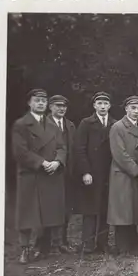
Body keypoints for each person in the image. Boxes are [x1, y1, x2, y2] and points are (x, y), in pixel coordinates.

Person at [12, 89, 67, 263]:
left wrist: (58, 162)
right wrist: (42, 162)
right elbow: (20, 152)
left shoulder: (52, 125)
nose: (41, 103)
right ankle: (25, 249)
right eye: (37, 100)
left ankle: (43, 248)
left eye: (43, 101)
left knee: (48, 212)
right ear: (29, 103)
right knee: (27, 214)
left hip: (50, 173)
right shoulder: (21, 124)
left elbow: (62, 147)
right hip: (31, 174)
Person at [74, 91, 116, 254]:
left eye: (105, 103)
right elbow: (80, 149)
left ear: (110, 106)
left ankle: (103, 242)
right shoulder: (86, 123)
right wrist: (85, 171)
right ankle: (87, 243)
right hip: (92, 172)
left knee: (106, 209)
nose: (103, 106)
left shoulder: (114, 123)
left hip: (109, 172)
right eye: (99, 103)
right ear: (94, 106)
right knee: (90, 208)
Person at [107, 96, 138, 256]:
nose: (136, 111)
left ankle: (133, 244)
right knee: (121, 211)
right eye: (133, 108)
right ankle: (122, 246)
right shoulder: (118, 127)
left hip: (134, 174)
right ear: (126, 109)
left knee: (132, 209)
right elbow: (119, 154)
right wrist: (137, 171)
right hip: (122, 174)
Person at [45, 95, 76, 249]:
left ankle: (62, 241)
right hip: (48, 172)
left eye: (64, 106)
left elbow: (73, 149)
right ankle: (42, 245)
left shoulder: (70, 125)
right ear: (50, 107)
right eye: (57, 105)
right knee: (46, 208)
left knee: (65, 208)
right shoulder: (42, 124)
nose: (61, 108)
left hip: (66, 173)